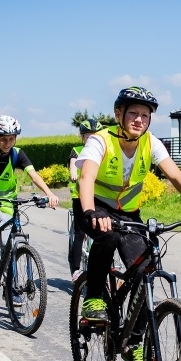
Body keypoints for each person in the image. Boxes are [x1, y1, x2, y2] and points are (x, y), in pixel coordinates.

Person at [77, 86, 181, 361]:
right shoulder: (100, 141)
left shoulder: (150, 143)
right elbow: (87, 177)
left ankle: (133, 342)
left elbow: (176, 176)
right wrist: (91, 211)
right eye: (133, 113)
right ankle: (93, 298)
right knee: (106, 237)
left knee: (147, 266)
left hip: (129, 214)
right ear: (119, 114)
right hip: (96, 208)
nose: (139, 120)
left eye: (145, 115)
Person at [0, 115, 59, 276]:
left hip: (8, 204)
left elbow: (34, 175)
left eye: (12, 139)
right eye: (3, 139)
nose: (8, 143)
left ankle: (11, 288)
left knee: (9, 244)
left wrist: (49, 193)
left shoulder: (17, 154)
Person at [68, 118, 104, 282]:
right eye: (88, 136)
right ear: (82, 137)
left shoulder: (103, 150)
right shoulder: (77, 150)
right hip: (80, 196)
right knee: (79, 233)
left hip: (99, 196)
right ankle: (76, 270)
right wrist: (74, 173)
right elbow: (74, 164)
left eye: (95, 136)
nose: (92, 139)